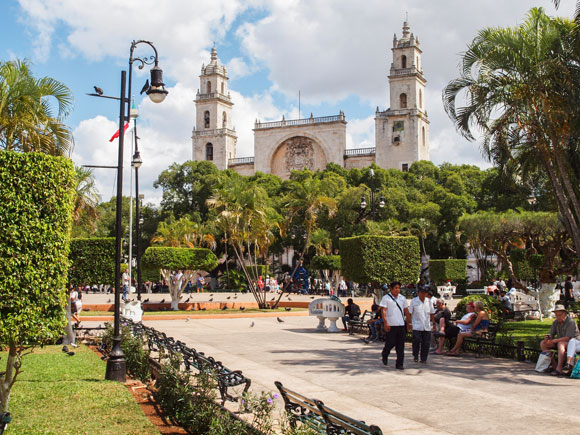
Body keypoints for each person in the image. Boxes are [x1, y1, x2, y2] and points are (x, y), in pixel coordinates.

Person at [540, 304, 580, 376]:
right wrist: (548, 338)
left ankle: (559, 368)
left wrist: (554, 341)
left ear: (564, 314)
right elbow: (552, 334)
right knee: (543, 343)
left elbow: (568, 338)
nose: (558, 317)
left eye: (560, 315)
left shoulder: (570, 322)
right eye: (556, 315)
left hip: (572, 342)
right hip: (559, 341)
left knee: (561, 344)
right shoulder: (555, 322)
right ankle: (554, 366)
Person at [380, 282, 411, 370]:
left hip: (401, 324)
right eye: (395, 288)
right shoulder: (386, 298)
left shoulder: (402, 298)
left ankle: (399, 363)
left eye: (399, 288)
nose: (397, 290)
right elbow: (384, 311)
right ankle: (385, 354)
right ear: (391, 289)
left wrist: (409, 322)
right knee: (390, 342)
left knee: (400, 346)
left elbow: (406, 310)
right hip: (391, 324)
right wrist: (385, 322)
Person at [408, 287, 435, 363]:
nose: (423, 294)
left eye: (425, 293)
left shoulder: (429, 301)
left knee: (426, 343)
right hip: (416, 325)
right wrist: (409, 323)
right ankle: (415, 355)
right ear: (418, 293)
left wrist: (434, 323)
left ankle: (424, 358)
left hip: (426, 326)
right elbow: (410, 313)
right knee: (416, 340)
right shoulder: (414, 301)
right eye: (421, 293)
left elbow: (432, 313)